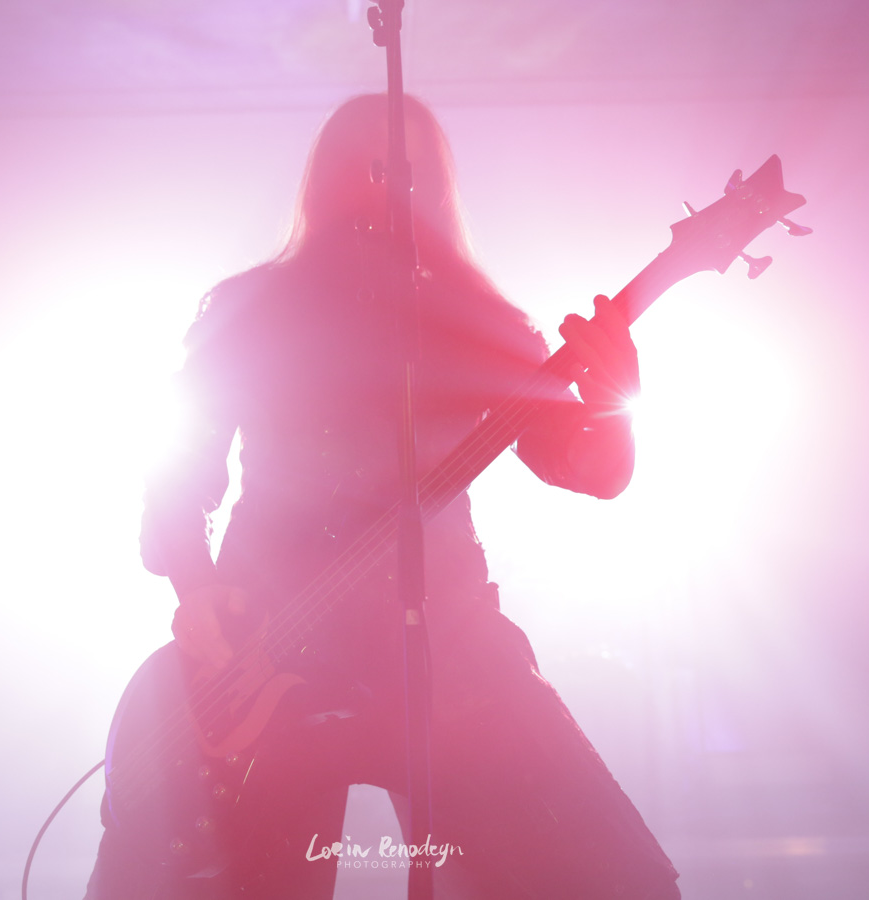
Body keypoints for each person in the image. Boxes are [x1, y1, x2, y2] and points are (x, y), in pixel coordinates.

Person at [86, 93, 680, 900]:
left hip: (445, 641)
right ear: (328, 181)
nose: (383, 185)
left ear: (432, 186)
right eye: (363, 165)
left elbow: (587, 468)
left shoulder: (478, 321)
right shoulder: (253, 311)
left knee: (611, 882)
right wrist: (199, 598)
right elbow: (175, 478)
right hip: (271, 647)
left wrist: (618, 395)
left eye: (405, 169)